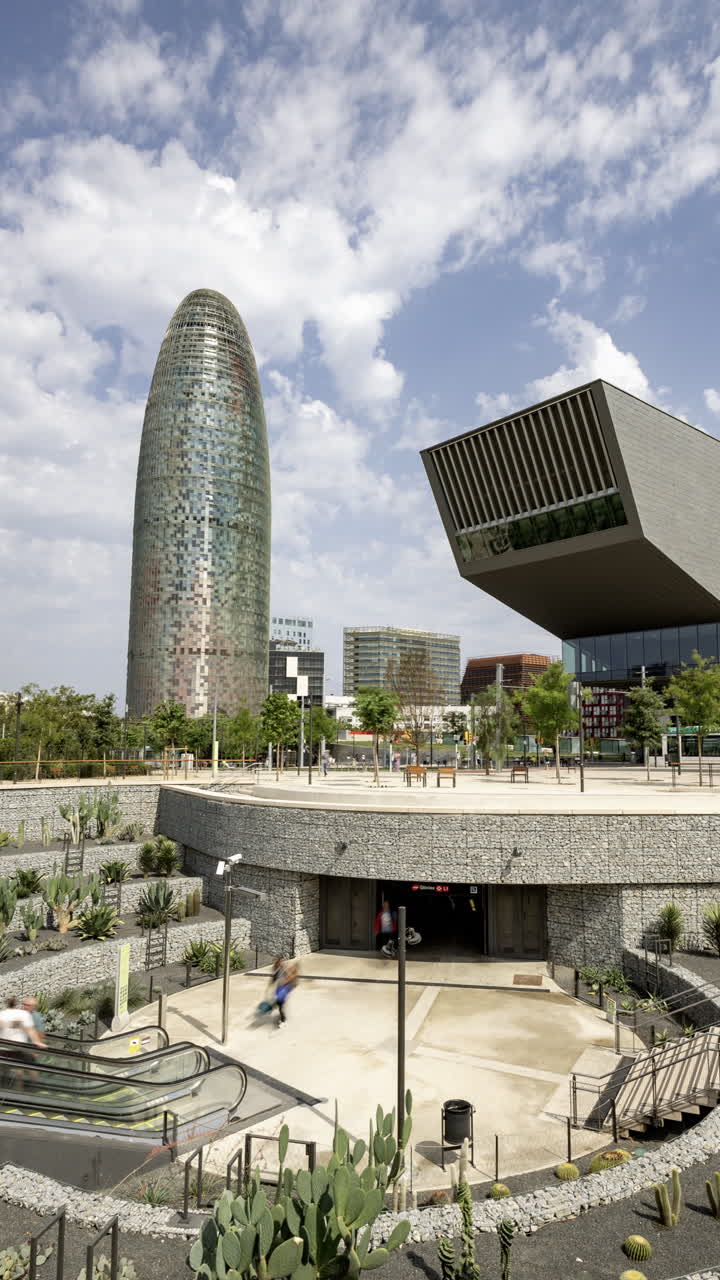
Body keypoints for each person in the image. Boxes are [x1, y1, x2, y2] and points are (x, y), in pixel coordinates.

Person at [0, 996, 44, 1081]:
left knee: (15, 1071)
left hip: (4, 1050)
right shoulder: (23, 1014)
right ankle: (35, 1085)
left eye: (28, 1005)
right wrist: (37, 1042)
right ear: (16, 1004)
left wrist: (9, 1024)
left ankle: (9, 1085)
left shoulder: (2, 1013)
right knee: (29, 1068)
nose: (25, 1006)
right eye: (24, 1004)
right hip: (18, 1049)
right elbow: (30, 1030)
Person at [274, 959, 299, 1027]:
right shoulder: (278, 971)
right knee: (279, 1003)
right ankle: (282, 1017)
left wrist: (284, 982)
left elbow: (291, 978)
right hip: (280, 988)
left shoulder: (286, 970)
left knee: (280, 1003)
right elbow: (275, 979)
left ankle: (283, 1021)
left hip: (284, 988)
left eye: (280, 963)